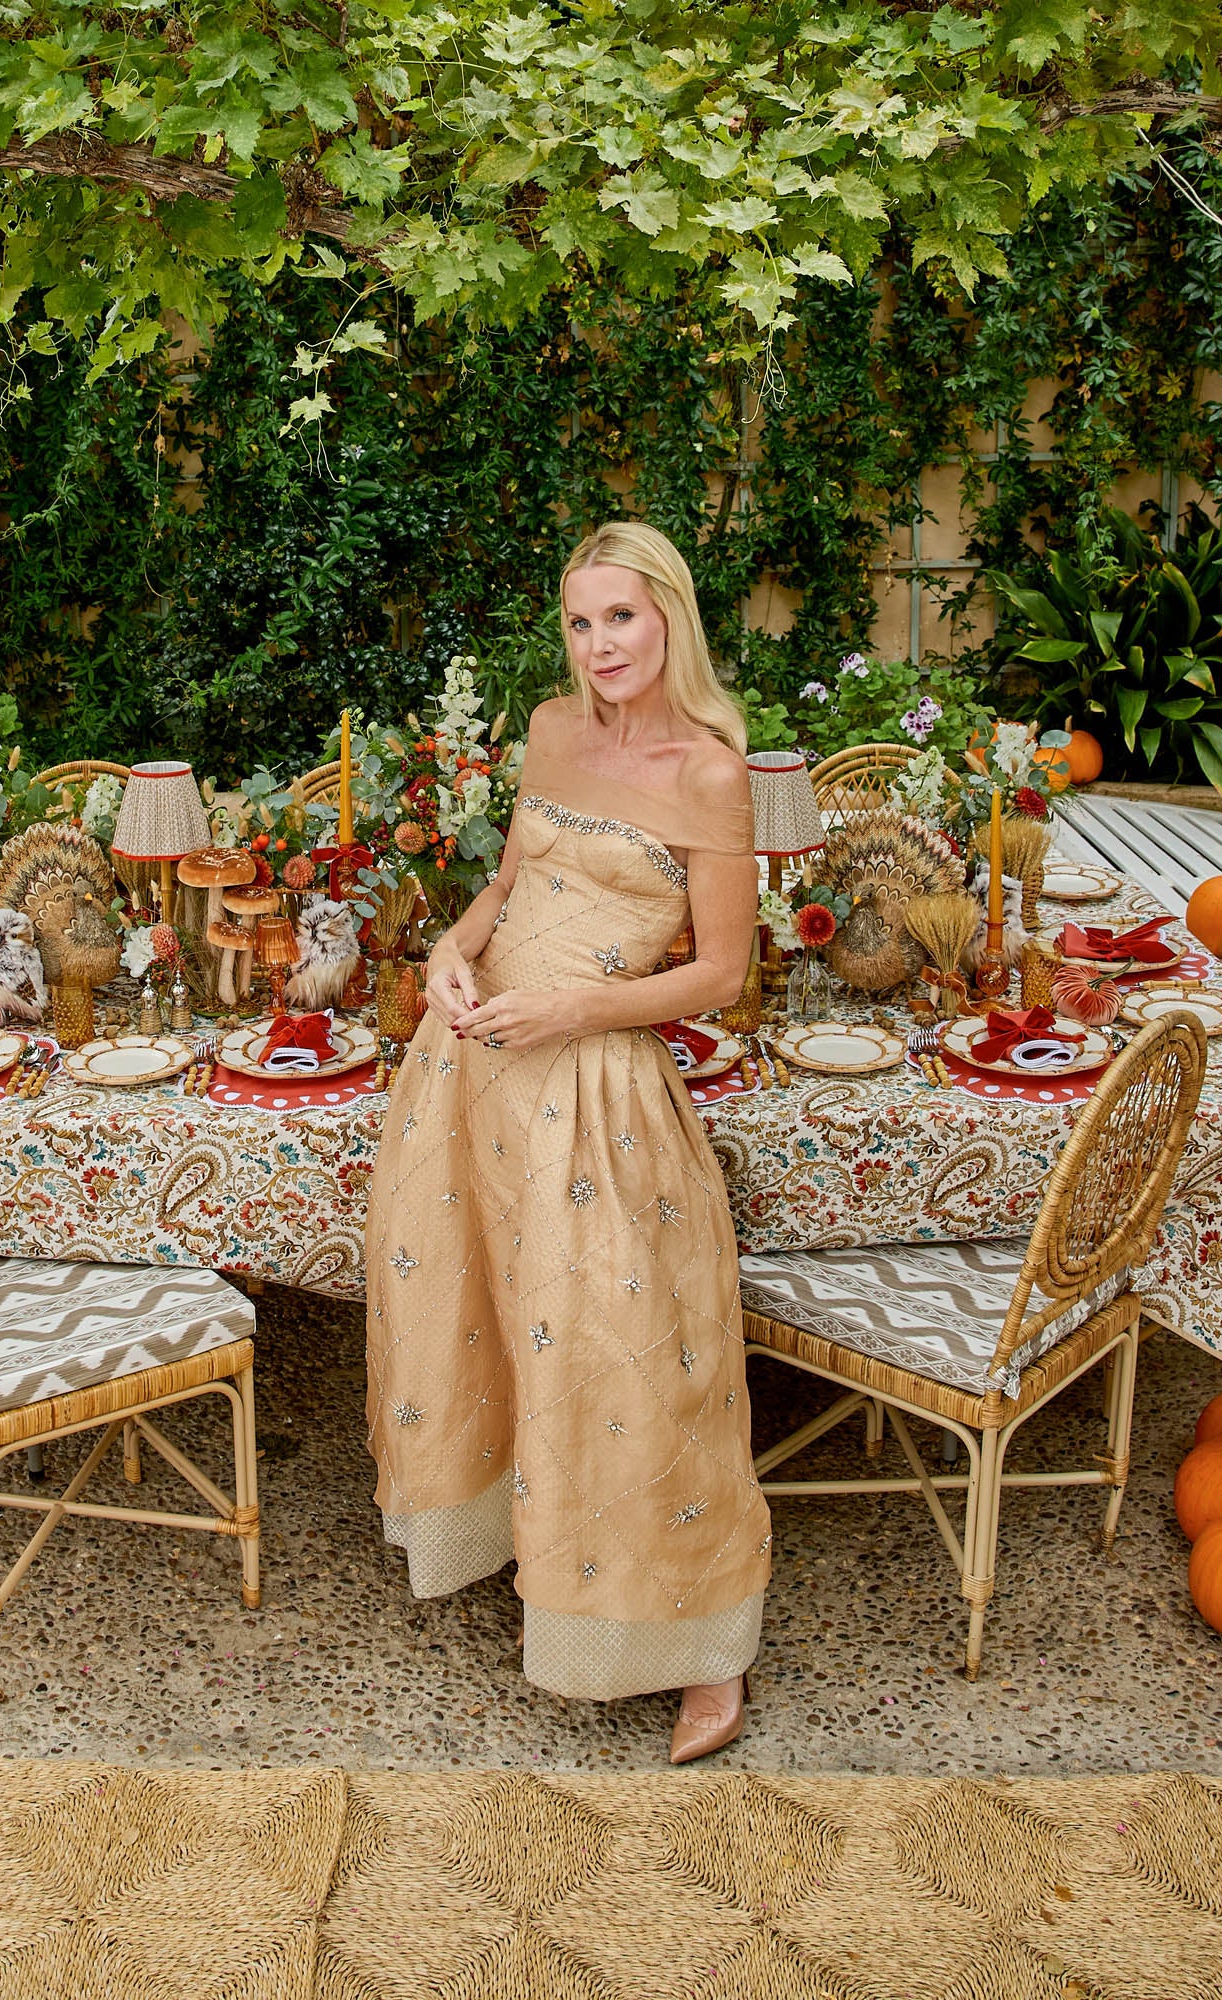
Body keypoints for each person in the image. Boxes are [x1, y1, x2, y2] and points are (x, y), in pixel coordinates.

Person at [362, 521, 771, 1764]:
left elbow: (722, 966)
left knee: (629, 1355)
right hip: (473, 1070)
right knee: (484, 1313)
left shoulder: (707, 772)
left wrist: (578, 1005)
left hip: (592, 1092)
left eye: (622, 619)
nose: (599, 646)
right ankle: (529, 1540)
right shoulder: (548, 729)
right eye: (581, 621)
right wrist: (452, 942)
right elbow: (514, 881)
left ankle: (704, 1652)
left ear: (670, 621)